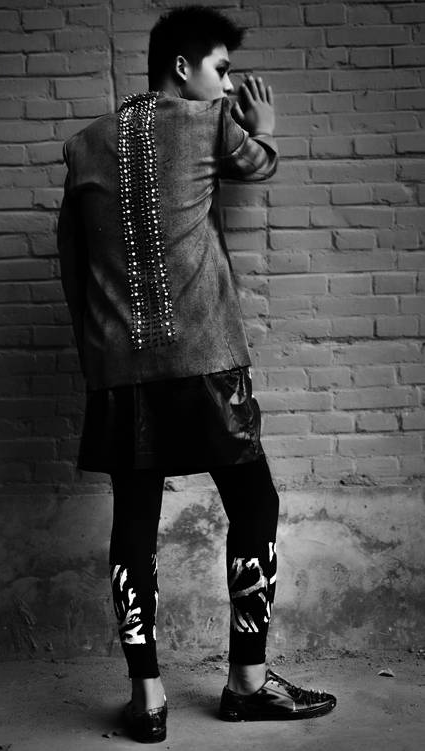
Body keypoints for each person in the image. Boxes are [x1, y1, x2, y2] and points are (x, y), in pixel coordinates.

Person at [57, 4, 336, 744]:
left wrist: (100, 366)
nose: (230, 84)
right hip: (206, 361)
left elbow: (72, 270)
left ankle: (146, 698)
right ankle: (247, 680)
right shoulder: (210, 122)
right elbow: (258, 166)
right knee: (255, 502)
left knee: (133, 523)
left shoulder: (84, 145)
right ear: (181, 68)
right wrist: (263, 126)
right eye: (221, 69)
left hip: (120, 371)